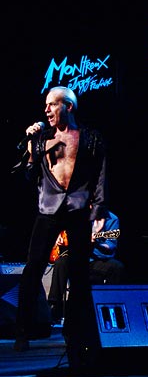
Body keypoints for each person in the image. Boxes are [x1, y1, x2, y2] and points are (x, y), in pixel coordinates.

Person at [13, 86, 109, 358]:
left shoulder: (90, 138)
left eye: (52, 104)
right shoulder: (42, 138)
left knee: (79, 273)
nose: (46, 110)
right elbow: (29, 176)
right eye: (46, 105)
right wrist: (32, 149)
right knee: (33, 269)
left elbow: (101, 175)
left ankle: (75, 333)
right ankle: (23, 330)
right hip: (48, 209)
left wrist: (99, 209)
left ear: (68, 106)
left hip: (78, 208)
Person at [48, 209, 123, 323]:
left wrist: (95, 242)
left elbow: (111, 246)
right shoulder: (76, 214)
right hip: (76, 258)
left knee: (117, 267)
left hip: (96, 259)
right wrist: (59, 235)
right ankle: (54, 306)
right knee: (61, 262)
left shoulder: (111, 219)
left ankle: (112, 308)